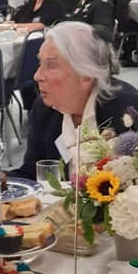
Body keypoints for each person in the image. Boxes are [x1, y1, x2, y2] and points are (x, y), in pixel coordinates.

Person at [11, 22, 138, 179]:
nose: (37, 75)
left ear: (86, 74)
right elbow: (31, 175)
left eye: (50, 65)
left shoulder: (127, 111)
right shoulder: (44, 109)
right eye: (40, 63)